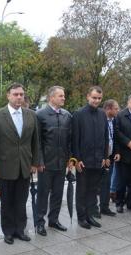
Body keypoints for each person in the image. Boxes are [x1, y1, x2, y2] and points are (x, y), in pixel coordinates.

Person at [0, 83, 39, 245]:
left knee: (22, 200)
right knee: (7, 201)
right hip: (5, 166)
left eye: (21, 94)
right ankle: (8, 231)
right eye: (15, 94)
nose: (19, 97)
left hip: (25, 165)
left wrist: (35, 162)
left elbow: (36, 142)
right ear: (8, 96)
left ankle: (20, 229)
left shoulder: (31, 115)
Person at [35, 86, 71, 236]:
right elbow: (37, 141)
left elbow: (69, 140)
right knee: (43, 193)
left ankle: (53, 220)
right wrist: (39, 161)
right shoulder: (40, 115)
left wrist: (70, 159)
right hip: (46, 163)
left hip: (61, 162)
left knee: (58, 192)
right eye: (60, 96)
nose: (63, 98)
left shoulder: (67, 115)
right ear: (51, 98)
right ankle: (40, 222)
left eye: (63, 96)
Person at [71, 86, 108, 229]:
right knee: (82, 190)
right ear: (88, 97)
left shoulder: (102, 114)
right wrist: (77, 159)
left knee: (93, 191)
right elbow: (75, 139)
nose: (96, 100)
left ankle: (90, 216)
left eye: (99, 98)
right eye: (94, 98)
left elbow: (105, 137)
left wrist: (105, 156)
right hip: (83, 161)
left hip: (98, 160)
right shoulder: (79, 114)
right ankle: (81, 218)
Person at [98, 99, 120, 216]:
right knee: (96, 184)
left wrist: (116, 152)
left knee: (107, 183)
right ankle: (91, 209)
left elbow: (115, 138)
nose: (118, 111)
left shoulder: (114, 120)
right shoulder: (99, 119)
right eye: (116, 108)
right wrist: (102, 156)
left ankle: (104, 207)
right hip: (100, 157)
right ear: (108, 109)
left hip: (110, 157)